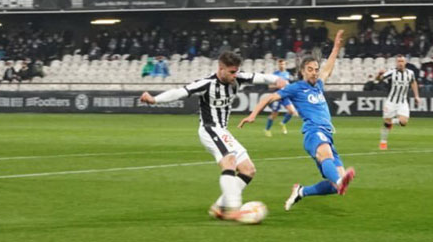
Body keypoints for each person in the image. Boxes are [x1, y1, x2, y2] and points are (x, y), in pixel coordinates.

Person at [139, 52, 287, 221]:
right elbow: (180, 92)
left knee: (248, 170)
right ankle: (233, 209)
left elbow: (260, 77)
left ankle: (219, 206)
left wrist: (277, 80)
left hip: (222, 130)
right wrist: (154, 99)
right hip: (209, 129)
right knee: (229, 161)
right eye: (231, 72)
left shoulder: (237, 78)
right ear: (221, 69)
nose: (235, 75)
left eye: (236, 71)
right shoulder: (206, 83)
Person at [239, 30, 356, 211]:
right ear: (302, 71)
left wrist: (336, 48)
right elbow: (268, 98)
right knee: (328, 160)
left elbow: (328, 68)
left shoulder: (318, 85)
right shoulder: (295, 88)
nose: (314, 73)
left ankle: (302, 192)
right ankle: (340, 180)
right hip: (313, 133)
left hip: (327, 135)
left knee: (334, 187)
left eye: (316, 70)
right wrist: (253, 114)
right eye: (310, 70)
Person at [375, 54, 421, 150]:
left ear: (405, 62)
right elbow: (378, 80)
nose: (400, 63)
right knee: (387, 123)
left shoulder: (410, 73)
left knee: (404, 122)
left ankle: (391, 122)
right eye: (398, 61)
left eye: (402, 61)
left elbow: (413, 82)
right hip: (391, 101)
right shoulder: (391, 73)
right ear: (396, 62)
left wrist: (416, 96)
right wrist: (379, 74)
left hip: (402, 102)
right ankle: (383, 142)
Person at [264, 58, 298, 137]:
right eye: (280, 64)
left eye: (283, 64)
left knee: (291, 111)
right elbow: (270, 85)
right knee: (274, 114)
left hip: (285, 95)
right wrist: (278, 85)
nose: (281, 65)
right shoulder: (275, 74)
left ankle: (283, 123)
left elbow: (289, 84)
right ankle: (267, 129)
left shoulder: (287, 74)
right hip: (277, 95)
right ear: (278, 65)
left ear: (285, 65)